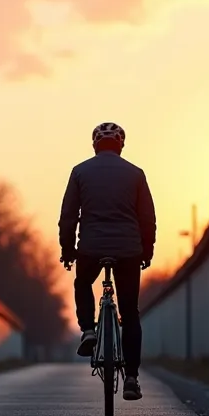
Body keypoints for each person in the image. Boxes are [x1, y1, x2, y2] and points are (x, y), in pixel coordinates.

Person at [58, 122, 157, 401]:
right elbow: (147, 218)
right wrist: (146, 251)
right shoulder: (136, 174)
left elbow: (68, 217)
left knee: (82, 282)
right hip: (128, 249)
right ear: (121, 145)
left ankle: (89, 330)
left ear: (95, 145)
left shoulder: (79, 172)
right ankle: (133, 379)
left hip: (90, 247)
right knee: (130, 312)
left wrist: (68, 250)